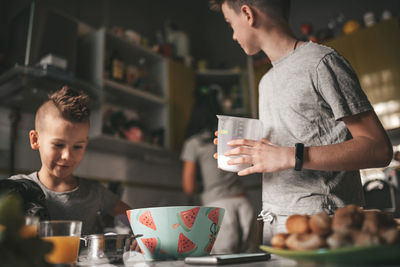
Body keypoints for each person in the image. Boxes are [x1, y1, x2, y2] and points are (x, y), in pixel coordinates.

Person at [209, 0, 393, 244]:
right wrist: (253, 152)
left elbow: (378, 148)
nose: (233, 35)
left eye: (230, 24)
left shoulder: (321, 62)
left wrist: (289, 156)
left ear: (248, 14)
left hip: (325, 230)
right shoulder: (266, 81)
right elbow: (287, 150)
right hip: (277, 231)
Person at [9, 86, 131, 235]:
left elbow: (138, 218)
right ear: (35, 140)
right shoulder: (16, 188)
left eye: (77, 147)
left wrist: (145, 237)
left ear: (85, 145)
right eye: (59, 145)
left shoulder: (95, 193)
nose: (67, 155)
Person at [180, 87, 258, 253]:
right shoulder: (227, 137)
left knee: (224, 262)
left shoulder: (194, 143)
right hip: (245, 203)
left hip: (218, 208)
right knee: (251, 262)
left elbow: (189, 187)